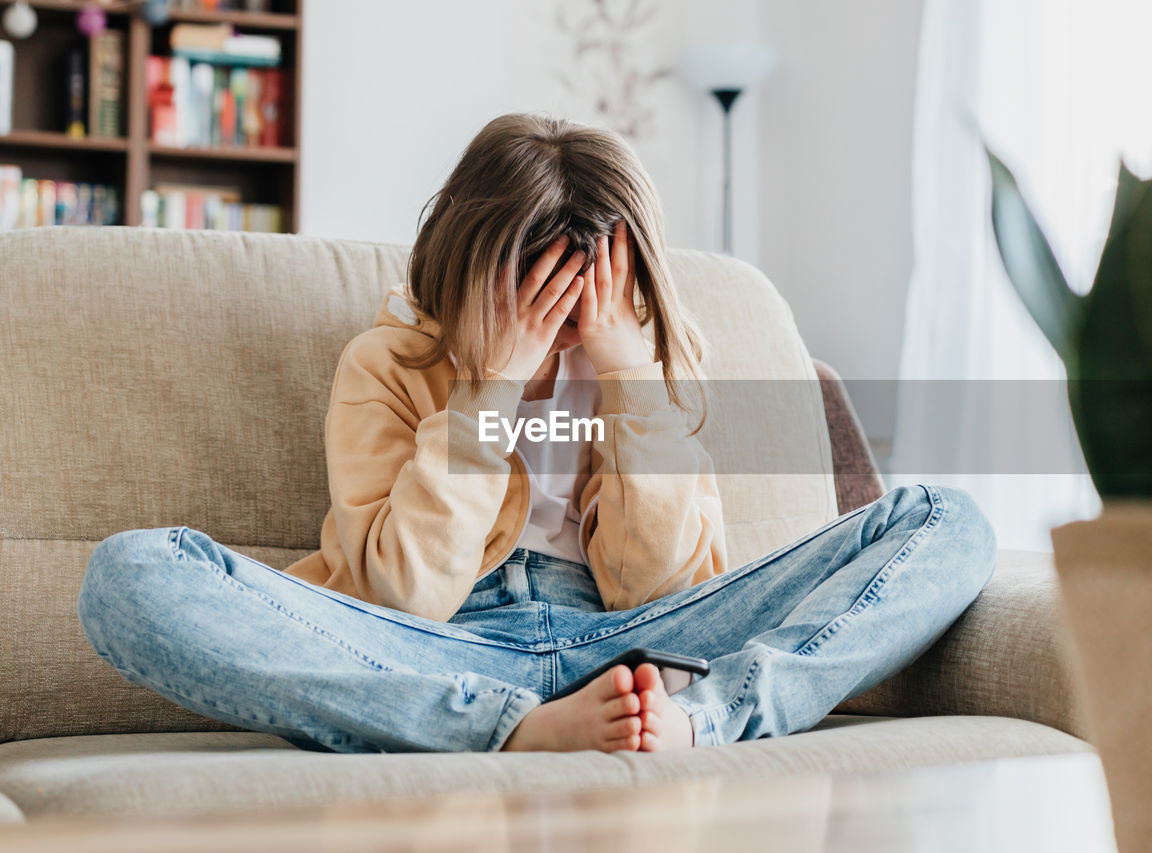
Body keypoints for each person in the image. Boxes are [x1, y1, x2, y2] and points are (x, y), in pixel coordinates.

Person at [77, 113, 996, 755]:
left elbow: (665, 585)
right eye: (534, 289)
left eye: (581, 290)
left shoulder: (657, 364)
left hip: (635, 640)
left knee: (948, 521)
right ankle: (504, 725)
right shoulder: (385, 365)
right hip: (437, 649)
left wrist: (631, 380)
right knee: (129, 575)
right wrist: (490, 388)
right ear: (471, 266)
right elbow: (398, 597)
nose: (560, 320)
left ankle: (704, 722)